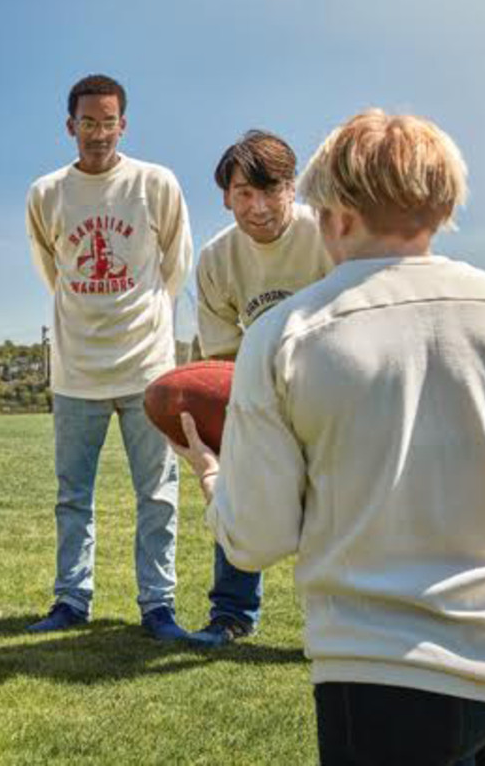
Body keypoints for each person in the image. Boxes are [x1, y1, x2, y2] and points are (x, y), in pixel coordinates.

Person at [173, 109, 485, 764]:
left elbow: (257, 538)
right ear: (444, 202)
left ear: (332, 213)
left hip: (380, 665)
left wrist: (211, 473)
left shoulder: (284, 334)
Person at [25, 74, 193, 639]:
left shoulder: (156, 183)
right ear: (70, 127)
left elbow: (176, 265)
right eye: (88, 122)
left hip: (147, 368)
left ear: (124, 123)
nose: (99, 133)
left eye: (108, 121)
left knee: (158, 496)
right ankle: (72, 600)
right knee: (73, 496)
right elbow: (52, 271)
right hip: (76, 372)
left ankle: (159, 606)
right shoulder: (46, 192)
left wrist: (144, 319)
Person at [189, 130, 332, 648]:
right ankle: (231, 615)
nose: (259, 207)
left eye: (270, 190)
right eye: (244, 194)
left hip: (334, 392)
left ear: (293, 187)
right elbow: (221, 357)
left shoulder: (329, 235)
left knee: (341, 507)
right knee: (238, 491)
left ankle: (343, 618)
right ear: (227, 196)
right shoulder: (215, 259)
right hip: (259, 393)